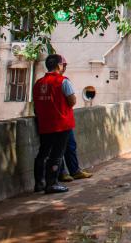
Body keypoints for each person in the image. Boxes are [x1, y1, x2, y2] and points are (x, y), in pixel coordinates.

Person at [33, 54, 76, 194]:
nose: (64, 68)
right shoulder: (63, 81)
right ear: (59, 65)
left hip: (44, 123)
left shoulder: (38, 83)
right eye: (63, 65)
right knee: (57, 154)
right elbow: (72, 101)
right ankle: (52, 183)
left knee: (43, 153)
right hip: (61, 124)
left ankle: (39, 183)